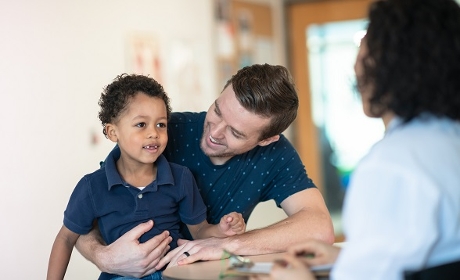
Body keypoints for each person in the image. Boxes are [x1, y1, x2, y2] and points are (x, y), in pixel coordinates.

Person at [256, 0, 460, 279]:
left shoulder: (392, 165)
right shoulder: (448, 142)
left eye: (366, 43)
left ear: (386, 62)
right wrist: (351, 257)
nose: (356, 62)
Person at [75, 64, 335, 278]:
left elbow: (319, 226)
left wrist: (226, 245)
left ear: (266, 140)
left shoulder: (275, 155)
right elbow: (86, 217)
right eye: (218, 111)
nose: (215, 132)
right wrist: (103, 257)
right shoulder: (163, 133)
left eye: (235, 132)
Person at [47, 74, 246, 280]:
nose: (154, 133)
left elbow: (200, 231)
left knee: (242, 273)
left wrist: (222, 229)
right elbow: (65, 239)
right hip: (121, 277)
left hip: (174, 272)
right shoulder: (92, 186)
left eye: (161, 124)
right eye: (141, 124)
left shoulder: (181, 177)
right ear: (113, 132)